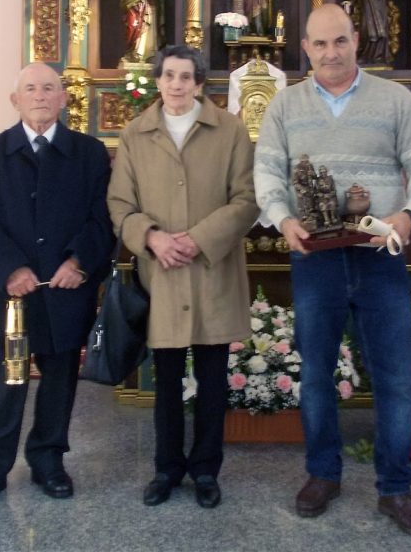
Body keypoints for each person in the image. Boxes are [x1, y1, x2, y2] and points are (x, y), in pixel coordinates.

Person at [253, 3, 411, 539]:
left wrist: (408, 215)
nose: (331, 53)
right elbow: (266, 169)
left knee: (395, 379)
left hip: (380, 259)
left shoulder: (395, 99)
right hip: (315, 259)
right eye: (319, 44)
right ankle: (322, 475)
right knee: (315, 377)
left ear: (356, 39)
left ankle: (396, 487)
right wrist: (283, 218)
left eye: (339, 41)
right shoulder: (285, 106)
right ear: (305, 49)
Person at [107, 45, 259, 510]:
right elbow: (119, 205)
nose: (176, 84)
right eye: (168, 75)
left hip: (212, 273)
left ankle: (207, 470)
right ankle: (167, 468)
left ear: (199, 84)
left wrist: (197, 239)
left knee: (213, 382)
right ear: (157, 81)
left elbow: (247, 199)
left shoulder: (230, 130)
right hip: (163, 277)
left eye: (185, 77)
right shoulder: (135, 134)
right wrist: (151, 237)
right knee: (166, 382)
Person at [0, 63, 115, 510]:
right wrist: (9, 268)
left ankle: (48, 460)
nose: (41, 95)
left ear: (64, 98)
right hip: (9, 293)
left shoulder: (88, 153)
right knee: (3, 384)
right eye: (31, 88)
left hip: (66, 289)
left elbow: (102, 218)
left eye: (49, 88)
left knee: (60, 380)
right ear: (16, 100)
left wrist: (80, 263)